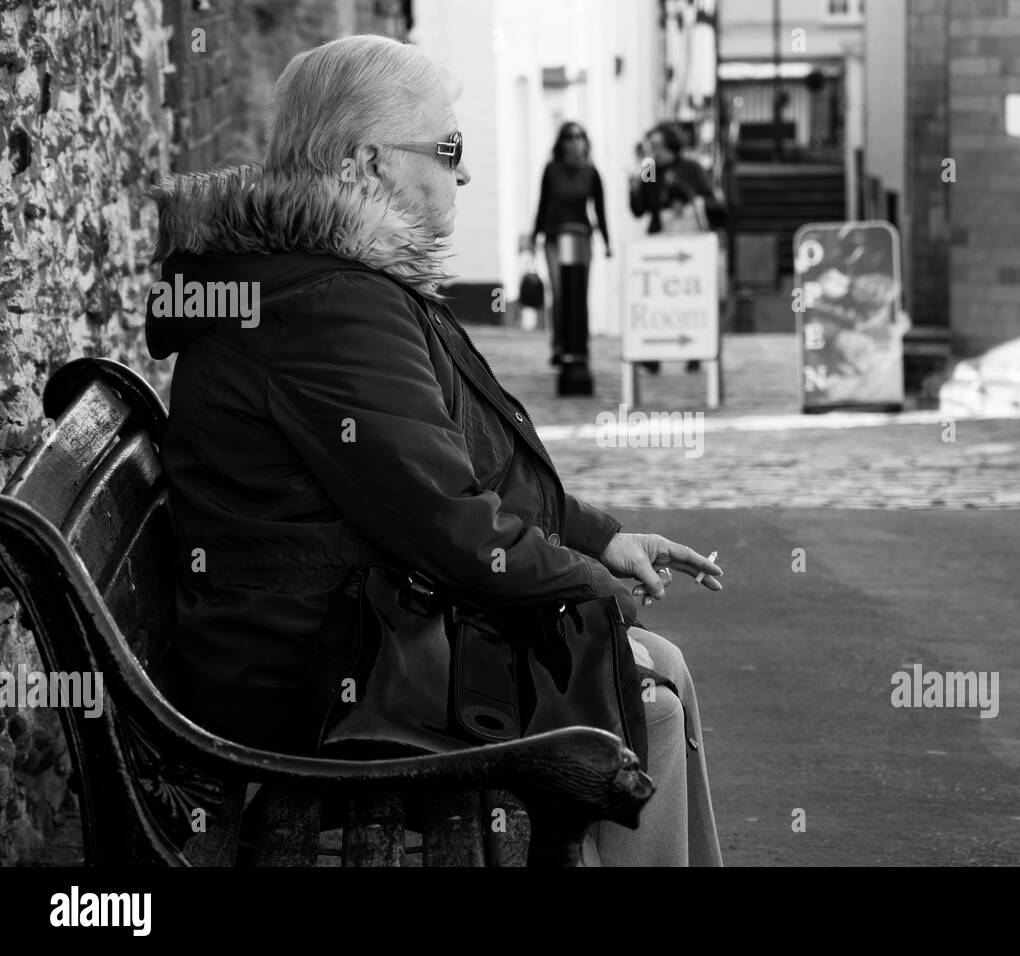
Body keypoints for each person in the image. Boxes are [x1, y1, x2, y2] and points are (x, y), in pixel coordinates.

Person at [144, 35, 723, 867]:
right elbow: (450, 523)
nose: (465, 172)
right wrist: (592, 594)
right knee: (645, 703)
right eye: (449, 148)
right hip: (313, 673)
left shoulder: (324, 280)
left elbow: (459, 468)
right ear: (364, 164)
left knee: (651, 670)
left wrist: (596, 539)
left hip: (330, 628)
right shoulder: (329, 303)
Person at [628, 123, 722, 374]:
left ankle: (694, 350)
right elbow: (640, 207)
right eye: (650, 146)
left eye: (656, 145)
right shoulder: (650, 168)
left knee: (685, 296)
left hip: (687, 239)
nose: (653, 151)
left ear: (670, 145)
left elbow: (708, 199)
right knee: (655, 297)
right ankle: (652, 354)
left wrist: (683, 196)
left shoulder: (690, 167)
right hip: (659, 237)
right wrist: (635, 185)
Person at [532, 121, 611, 368]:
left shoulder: (591, 172)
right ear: (562, 143)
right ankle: (559, 344)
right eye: (570, 137)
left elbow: (600, 210)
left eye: (580, 137)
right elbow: (542, 204)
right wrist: (535, 235)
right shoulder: (551, 170)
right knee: (559, 291)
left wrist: (608, 242)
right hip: (555, 237)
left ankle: (580, 345)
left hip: (581, 238)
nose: (576, 142)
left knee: (579, 291)